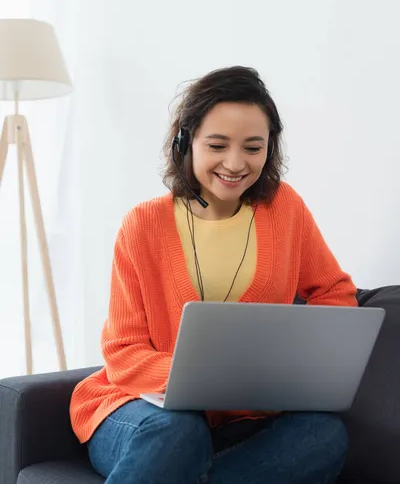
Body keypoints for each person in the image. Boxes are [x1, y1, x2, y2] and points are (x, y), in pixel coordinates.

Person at [70, 66, 358, 484]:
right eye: (218, 145)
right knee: (181, 430)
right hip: (139, 408)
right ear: (185, 144)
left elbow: (334, 291)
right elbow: (123, 350)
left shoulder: (285, 209)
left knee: (324, 434)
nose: (236, 163)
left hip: (245, 416)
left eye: (253, 147)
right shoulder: (143, 224)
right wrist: (199, 380)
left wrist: (296, 361)